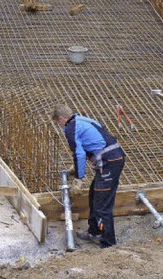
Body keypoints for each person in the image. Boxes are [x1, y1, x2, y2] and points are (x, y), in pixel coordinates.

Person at [52, 104, 125, 248]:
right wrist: (76, 167)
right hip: (113, 157)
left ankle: (108, 243)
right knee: (94, 195)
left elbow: (78, 153)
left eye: (57, 123)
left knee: (102, 204)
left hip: (109, 162)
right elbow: (91, 142)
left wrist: (79, 178)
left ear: (61, 119)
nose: (59, 126)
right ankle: (94, 232)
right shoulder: (82, 120)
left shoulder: (71, 128)